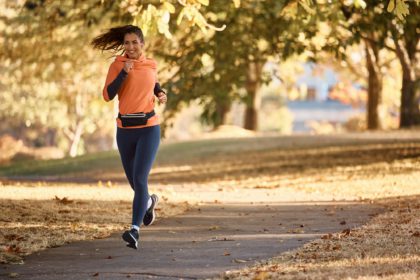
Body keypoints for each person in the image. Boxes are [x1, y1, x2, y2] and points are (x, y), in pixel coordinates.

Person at [91, 25, 167, 249]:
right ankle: (149, 202)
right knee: (134, 180)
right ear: (123, 45)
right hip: (124, 130)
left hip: (149, 128)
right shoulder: (117, 65)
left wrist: (159, 92)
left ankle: (134, 230)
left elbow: (151, 82)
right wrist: (124, 72)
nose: (131, 47)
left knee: (140, 177)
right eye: (127, 43)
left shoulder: (151, 63)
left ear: (142, 44)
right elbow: (107, 95)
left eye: (135, 42)